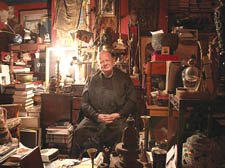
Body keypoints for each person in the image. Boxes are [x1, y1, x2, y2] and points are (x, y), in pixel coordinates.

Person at [71, 50, 137, 158]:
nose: (105, 63)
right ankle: (79, 162)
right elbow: (84, 103)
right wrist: (96, 116)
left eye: (107, 60)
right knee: (79, 131)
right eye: (101, 62)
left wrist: (118, 114)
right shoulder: (92, 79)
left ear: (113, 61)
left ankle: (116, 161)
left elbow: (132, 101)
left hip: (116, 119)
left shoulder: (124, 78)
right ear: (98, 64)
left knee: (124, 132)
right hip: (95, 119)